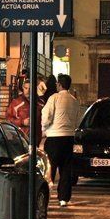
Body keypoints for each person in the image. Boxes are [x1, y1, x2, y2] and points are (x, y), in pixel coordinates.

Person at [41, 74, 80, 207]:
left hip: (54, 137)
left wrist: (44, 128)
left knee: (49, 168)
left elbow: (46, 116)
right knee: (66, 169)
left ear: (59, 84)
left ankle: (44, 195)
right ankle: (64, 198)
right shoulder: (74, 101)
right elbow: (76, 120)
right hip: (69, 137)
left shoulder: (54, 98)